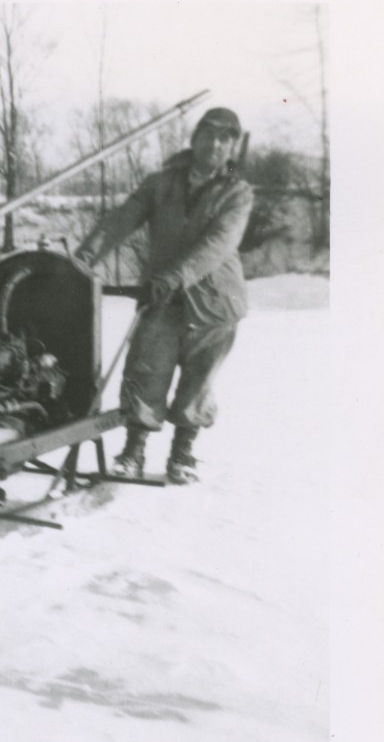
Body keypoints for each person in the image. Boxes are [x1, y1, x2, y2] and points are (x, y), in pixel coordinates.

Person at [75, 107, 255, 484]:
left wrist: (176, 275)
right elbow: (120, 220)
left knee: (198, 380)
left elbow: (219, 243)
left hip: (214, 304)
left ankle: (182, 454)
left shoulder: (237, 193)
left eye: (224, 139)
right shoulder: (160, 184)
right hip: (161, 298)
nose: (214, 144)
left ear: (232, 147)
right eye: (208, 134)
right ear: (195, 138)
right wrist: (83, 260)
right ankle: (133, 451)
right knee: (145, 372)